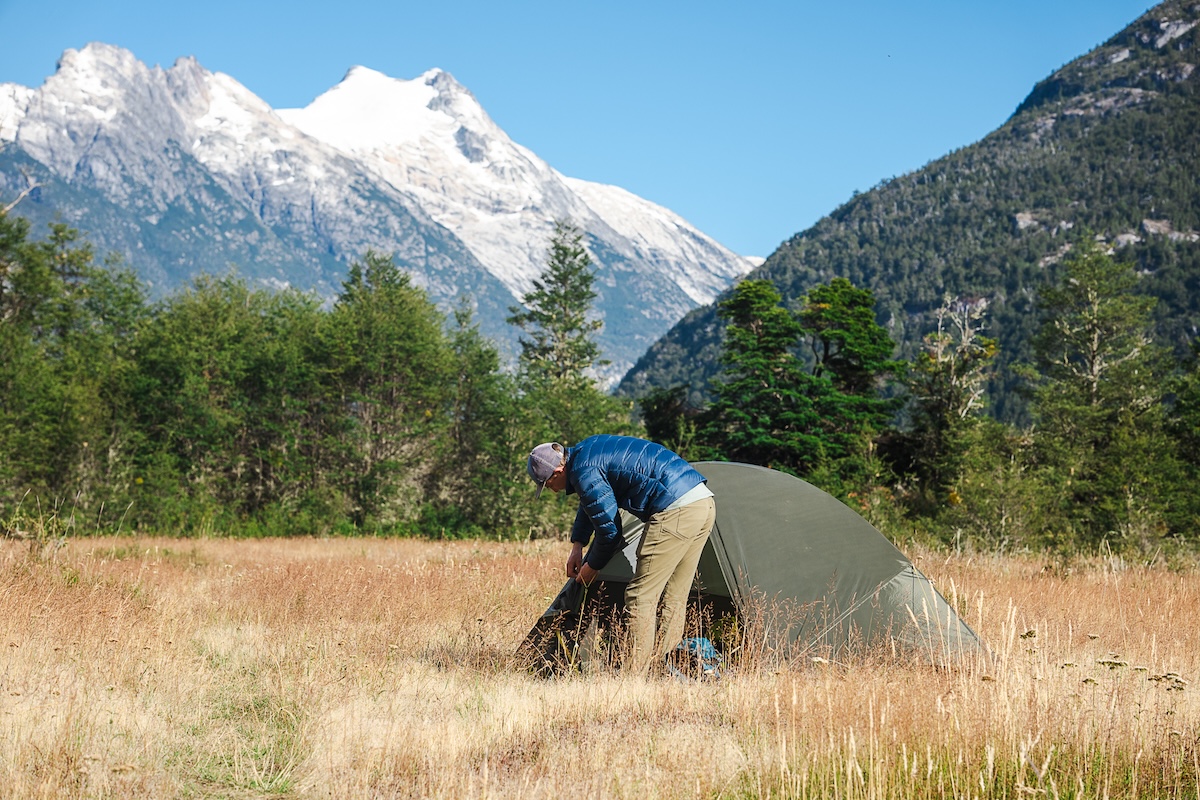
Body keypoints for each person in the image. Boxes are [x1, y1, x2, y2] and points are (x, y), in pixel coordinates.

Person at [526, 434, 716, 673]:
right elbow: (592, 502)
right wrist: (578, 545)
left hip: (675, 510)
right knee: (673, 595)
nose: (552, 490)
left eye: (547, 483)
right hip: (702, 502)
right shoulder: (586, 453)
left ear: (557, 470)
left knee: (639, 597)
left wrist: (591, 567)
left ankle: (633, 678)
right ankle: (666, 671)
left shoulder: (584, 470)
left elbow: (610, 532)